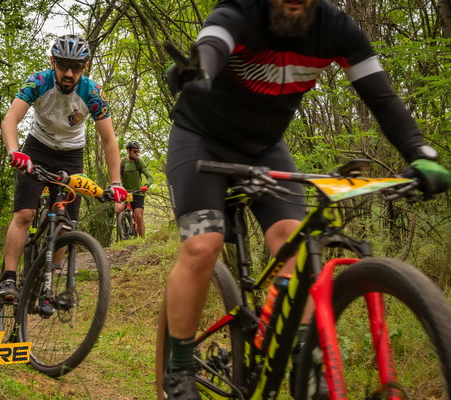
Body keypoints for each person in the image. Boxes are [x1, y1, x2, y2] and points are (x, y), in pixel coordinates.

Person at [161, 0, 451, 398]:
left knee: (296, 243)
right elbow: (214, 42)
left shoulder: (336, 28)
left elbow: (382, 99)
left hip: (264, 148)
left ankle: (301, 353)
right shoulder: (241, 11)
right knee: (202, 244)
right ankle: (179, 368)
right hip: (200, 139)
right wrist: (200, 69)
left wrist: (420, 154)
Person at [0, 34, 127, 302]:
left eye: (76, 67)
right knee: (25, 213)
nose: (69, 73)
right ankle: (8, 278)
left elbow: (109, 140)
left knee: (67, 225)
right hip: (37, 148)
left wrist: (116, 183)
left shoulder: (92, 92)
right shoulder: (39, 82)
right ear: (52, 62)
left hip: (71, 154)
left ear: (85, 66)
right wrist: (14, 151)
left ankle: (51, 278)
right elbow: (11, 118)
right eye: (63, 65)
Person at [114, 141, 155, 238]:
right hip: (124, 192)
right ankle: (124, 229)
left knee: (139, 216)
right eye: (135, 152)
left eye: (138, 151)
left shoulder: (139, 162)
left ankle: (142, 240)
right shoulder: (123, 163)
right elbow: (116, 177)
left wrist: (146, 185)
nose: (137, 154)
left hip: (137, 192)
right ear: (128, 151)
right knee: (118, 210)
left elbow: (150, 177)